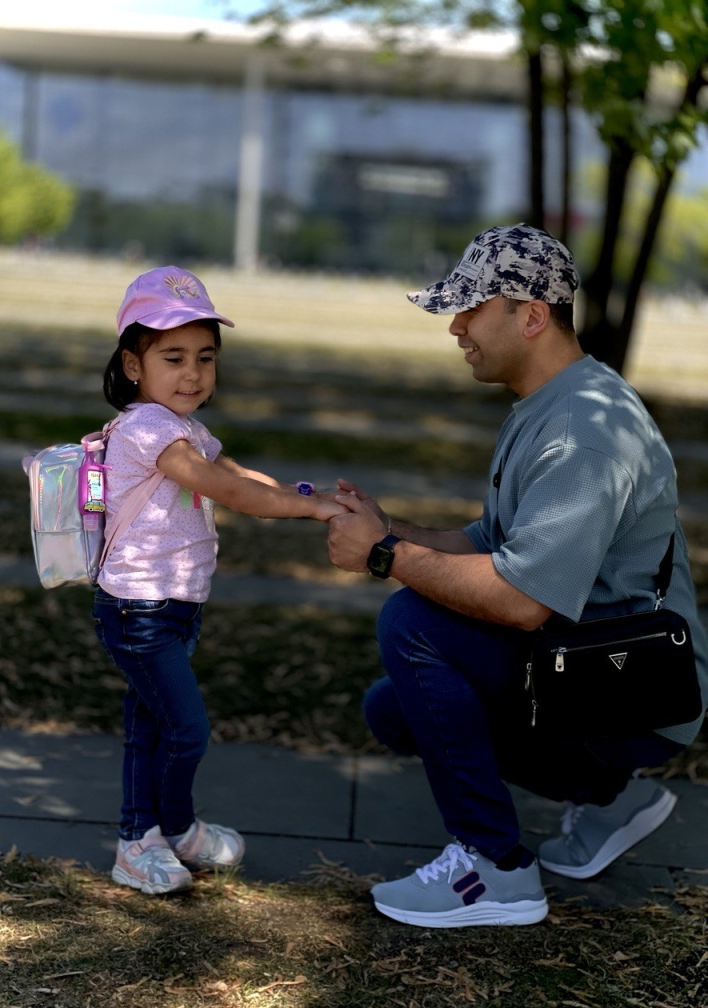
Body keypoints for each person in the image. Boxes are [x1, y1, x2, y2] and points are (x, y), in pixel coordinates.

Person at [327, 223, 708, 929]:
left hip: (637, 689)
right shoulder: (551, 403)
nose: (456, 328)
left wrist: (383, 559)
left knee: (410, 624)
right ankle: (609, 797)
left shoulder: (584, 430)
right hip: (592, 660)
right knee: (394, 708)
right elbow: (490, 543)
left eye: (471, 308)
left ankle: (495, 869)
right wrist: (390, 530)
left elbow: (523, 601)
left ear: (532, 316)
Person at [93, 266, 344, 896]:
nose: (193, 373)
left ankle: (138, 841)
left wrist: (308, 492)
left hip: (176, 606)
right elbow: (228, 490)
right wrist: (307, 509)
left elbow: (243, 475)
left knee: (149, 726)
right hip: (139, 609)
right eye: (172, 357)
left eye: (205, 357)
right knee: (185, 729)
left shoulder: (190, 431)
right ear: (132, 365)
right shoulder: (149, 429)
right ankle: (173, 828)